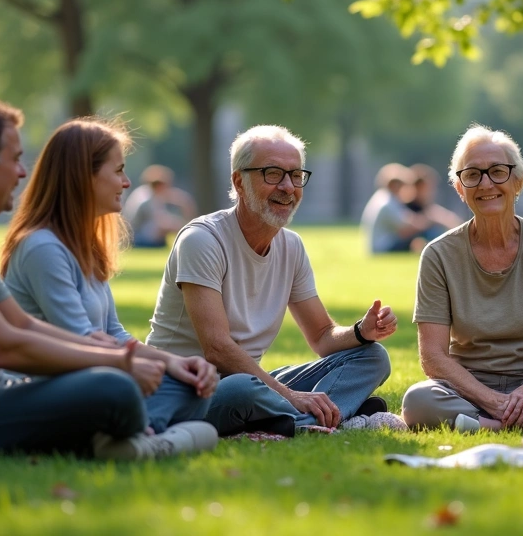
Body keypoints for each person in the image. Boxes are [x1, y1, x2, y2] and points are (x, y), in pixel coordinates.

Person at [0, 98, 214, 460]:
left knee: (183, 387)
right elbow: (3, 347)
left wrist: (145, 359)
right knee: (114, 390)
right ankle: (142, 441)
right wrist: (121, 364)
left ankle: (125, 438)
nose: (22, 173)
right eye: (14, 159)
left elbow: (21, 323)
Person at [147, 125, 406, 436]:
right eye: (273, 173)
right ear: (239, 182)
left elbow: (323, 336)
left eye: (296, 175)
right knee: (243, 389)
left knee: (372, 357)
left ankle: (302, 420)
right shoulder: (202, 240)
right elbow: (217, 349)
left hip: (253, 381)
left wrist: (361, 332)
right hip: (185, 391)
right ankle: (321, 419)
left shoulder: (291, 246)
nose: (288, 187)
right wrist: (291, 395)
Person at [0, 117, 220, 443]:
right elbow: (81, 341)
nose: (127, 182)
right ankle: (135, 433)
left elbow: (113, 332)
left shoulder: (84, 246)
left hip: (94, 377)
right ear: (83, 177)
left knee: (193, 385)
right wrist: (136, 365)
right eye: (118, 171)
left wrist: (176, 362)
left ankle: (132, 433)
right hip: (45, 387)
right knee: (123, 388)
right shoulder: (42, 247)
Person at [401, 126, 523, 432]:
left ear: (518, 181)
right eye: (473, 175)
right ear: (460, 189)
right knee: (418, 400)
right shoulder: (438, 254)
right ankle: (522, 424)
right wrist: (492, 400)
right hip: (468, 391)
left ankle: (486, 425)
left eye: (497, 172)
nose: (486, 183)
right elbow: (433, 356)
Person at [361, 163, 435, 253]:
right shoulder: (387, 202)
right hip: (383, 247)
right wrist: (427, 222)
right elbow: (405, 229)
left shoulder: (384, 198)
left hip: (382, 245)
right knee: (428, 233)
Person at [123, 164, 198, 247]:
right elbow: (161, 221)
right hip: (137, 237)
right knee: (171, 226)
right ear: (160, 185)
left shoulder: (151, 194)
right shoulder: (146, 198)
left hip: (144, 234)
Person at [405, 163, 464, 235]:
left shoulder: (429, 208)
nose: (432, 191)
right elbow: (406, 230)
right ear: (418, 187)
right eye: (428, 188)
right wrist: (430, 219)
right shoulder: (403, 207)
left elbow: (454, 222)